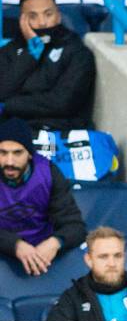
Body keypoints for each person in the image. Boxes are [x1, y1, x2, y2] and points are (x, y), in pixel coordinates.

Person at [0, 0, 96, 133]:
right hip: (11, 134)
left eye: (48, 14)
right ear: (22, 20)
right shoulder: (10, 51)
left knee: (34, 153)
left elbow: (62, 103)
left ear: (58, 16)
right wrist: (29, 57)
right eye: (33, 16)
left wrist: (9, 105)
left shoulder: (77, 52)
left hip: (56, 135)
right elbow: (2, 90)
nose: (42, 22)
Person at [0, 116, 85, 276]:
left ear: (30, 154)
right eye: (3, 153)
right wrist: (15, 245)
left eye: (17, 153)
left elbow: (75, 226)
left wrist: (55, 242)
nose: (9, 161)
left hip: (43, 253)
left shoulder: (48, 174)